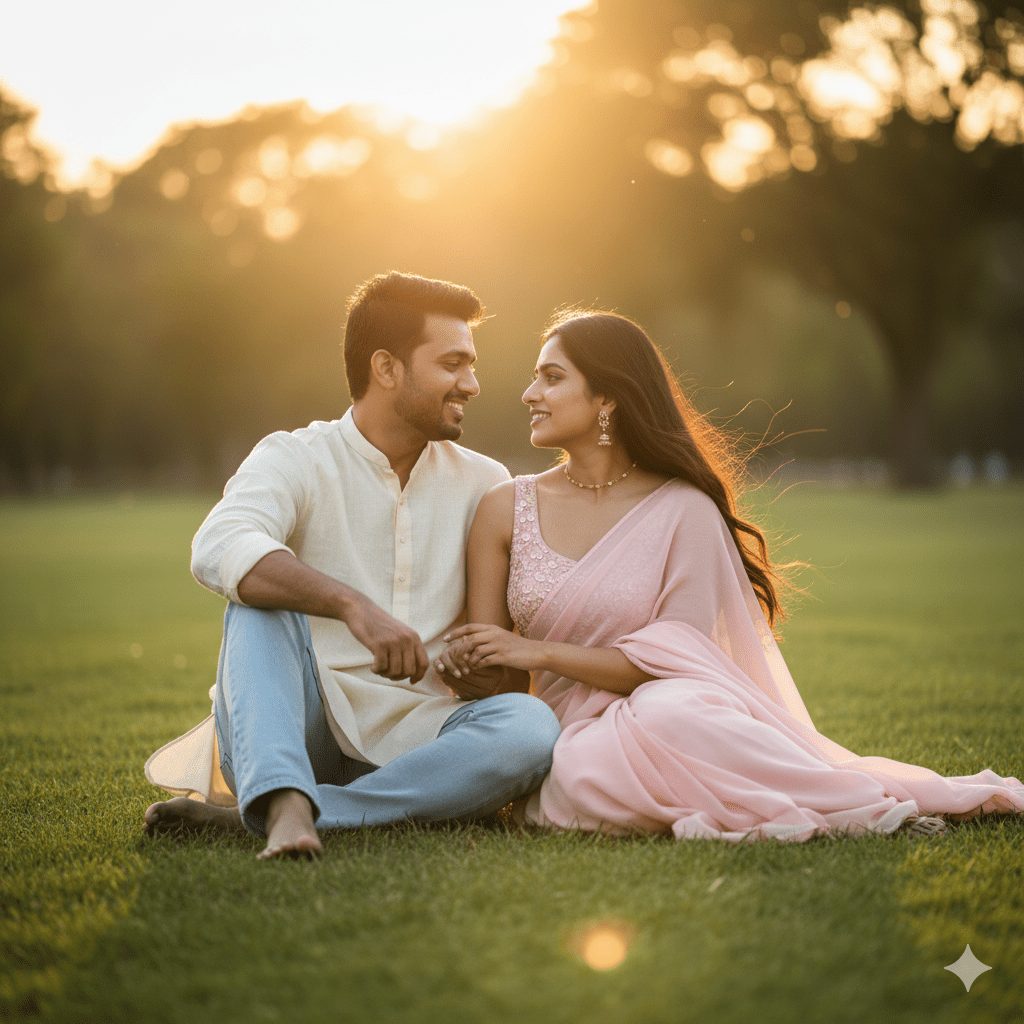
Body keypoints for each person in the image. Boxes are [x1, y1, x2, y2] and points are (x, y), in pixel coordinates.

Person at [437, 310, 1024, 842]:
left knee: (673, 711)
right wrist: (465, 667)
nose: (528, 393)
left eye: (551, 377)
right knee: (581, 776)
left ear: (607, 398)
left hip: (669, 706)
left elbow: (674, 657)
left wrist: (536, 649)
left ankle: (861, 806)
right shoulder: (504, 507)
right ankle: (815, 809)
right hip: (565, 732)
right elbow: (504, 688)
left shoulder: (683, 507)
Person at [143, 272, 560, 859]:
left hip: (422, 739)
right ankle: (283, 799)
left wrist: (480, 674)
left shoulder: (486, 482)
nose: (472, 383)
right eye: (452, 364)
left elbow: (504, 673)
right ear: (386, 368)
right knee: (259, 599)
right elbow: (219, 544)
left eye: (471, 365)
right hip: (291, 732)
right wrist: (351, 606)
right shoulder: (295, 456)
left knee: (529, 728)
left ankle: (287, 816)